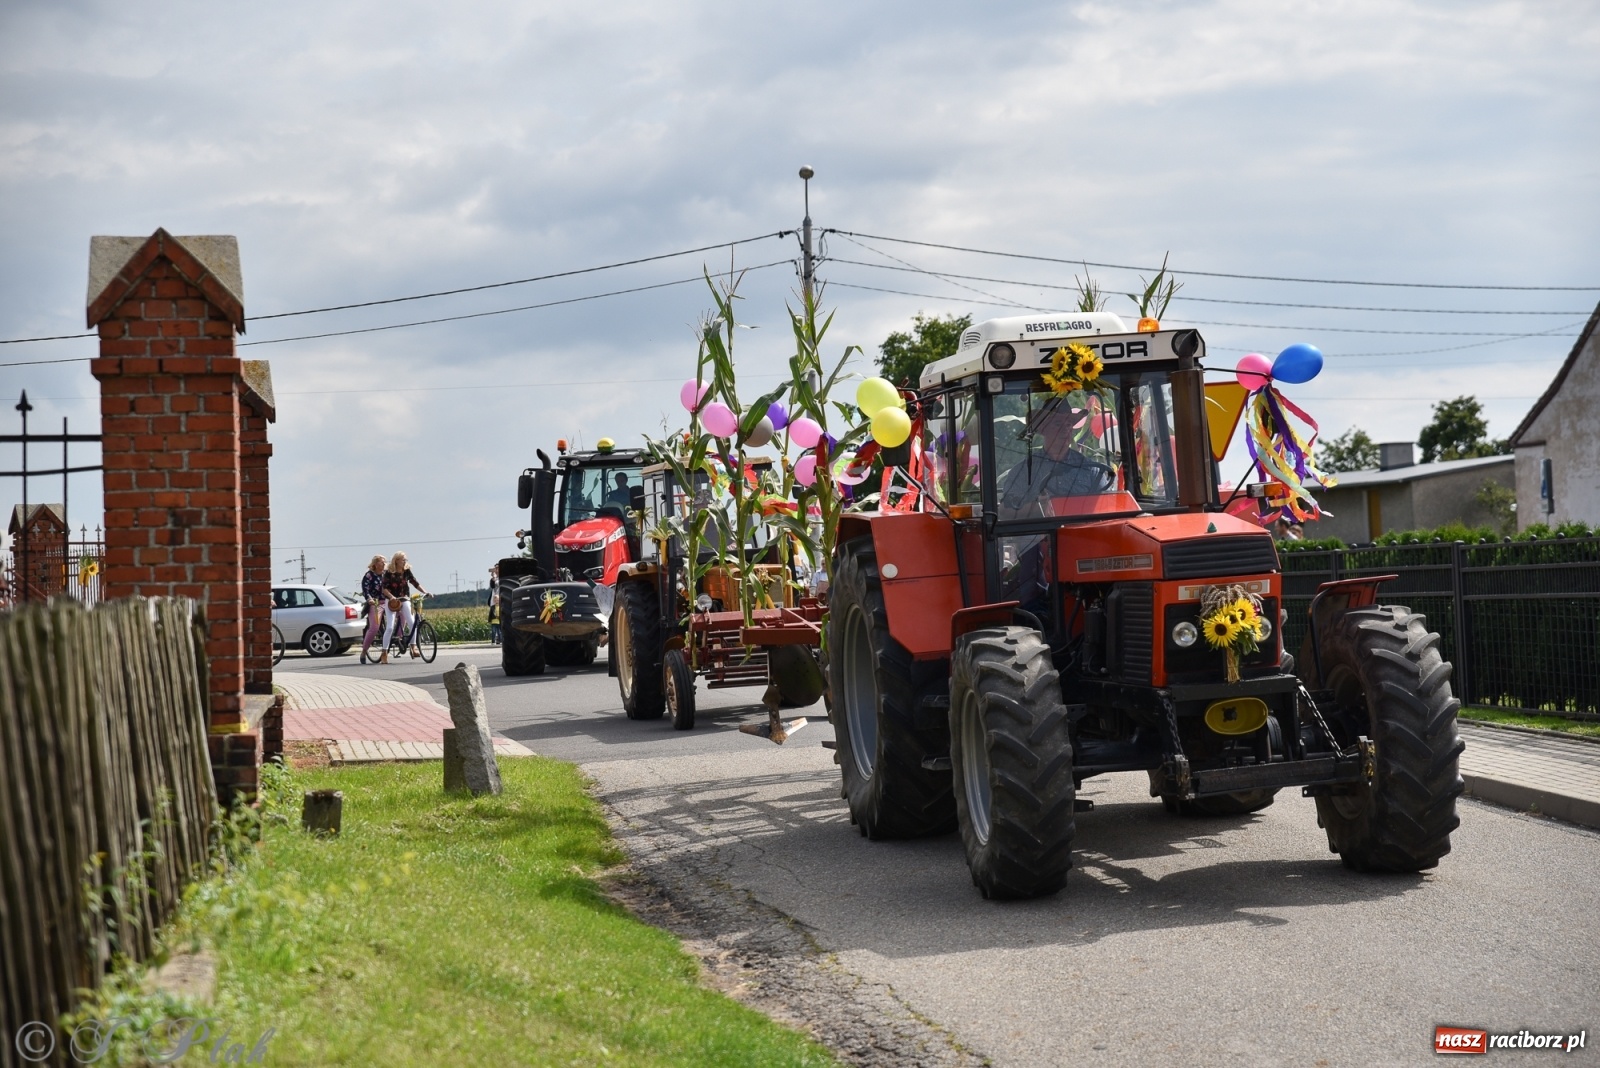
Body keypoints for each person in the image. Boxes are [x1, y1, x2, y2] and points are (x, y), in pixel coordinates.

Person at [996, 396, 1115, 520]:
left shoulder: (1091, 470)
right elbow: (1005, 511)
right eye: (1058, 424)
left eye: (1068, 424)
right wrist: (1040, 507)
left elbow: (1108, 507)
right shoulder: (1024, 471)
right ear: (1043, 429)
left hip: (1082, 536)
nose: (1065, 430)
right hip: (1041, 537)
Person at [379, 551, 430, 663]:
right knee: (390, 627)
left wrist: (425, 592)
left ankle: (413, 647)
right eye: (403, 560)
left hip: (404, 598)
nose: (405, 561)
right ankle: (384, 652)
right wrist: (392, 597)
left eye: (405, 560)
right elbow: (384, 588)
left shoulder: (406, 571)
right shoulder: (389, 572)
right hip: (391, 601)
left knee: (412, 623)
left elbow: (415, 583)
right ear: (396, 560)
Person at [358, 554, 387, 664]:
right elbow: (366, 590)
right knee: (374, 627)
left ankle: (399, 637)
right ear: (375, 564)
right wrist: (369, 599)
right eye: (381, 562)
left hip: (388, 602)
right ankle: (364, 651)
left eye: (384, 562)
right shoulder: (369, 575)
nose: (384, 564)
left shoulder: (386, 575)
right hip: (376, 603)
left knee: (403, 612)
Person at [487, 564, 502, 645]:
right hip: (495, 597)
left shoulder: (503, 578)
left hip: (502, 597)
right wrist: (493, 577)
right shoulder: (494, 579)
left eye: (498, 568)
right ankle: (496, 638)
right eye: (496, 569)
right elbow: (492, 586)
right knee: (494, 615)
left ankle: (500, 637)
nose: (497, 570)